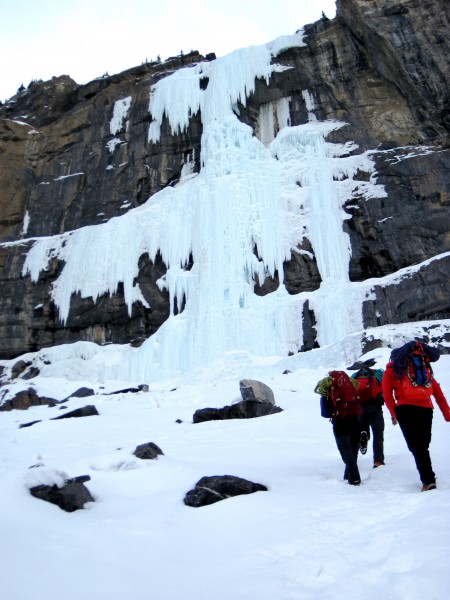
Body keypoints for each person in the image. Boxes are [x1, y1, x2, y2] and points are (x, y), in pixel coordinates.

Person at [382, 340, 450, 491]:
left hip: (405, 410)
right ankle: (428, 477)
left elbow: (387, 396)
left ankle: (428, 481)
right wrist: (447, 413)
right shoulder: (424, 369)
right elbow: (438, 393)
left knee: (416, 447)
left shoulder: (391, 371)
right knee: (422, 446)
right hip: (426, 409)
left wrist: (393, 415)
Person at [315, 371, 362, 486]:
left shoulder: (329, 387)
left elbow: (325, 413)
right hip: (355, 418)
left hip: (340, 421)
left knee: (345, 450)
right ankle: (348, 477)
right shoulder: (350, 383)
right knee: (353, 449)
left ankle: (355, 478)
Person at [350, 366, 385, 468]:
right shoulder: (377, 375)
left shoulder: (355, 376)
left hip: (360, 407)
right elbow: (383, 390)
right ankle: (378, 461)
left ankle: (364, 435)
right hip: (375, 407)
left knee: (362, 429)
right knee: (378, 434)